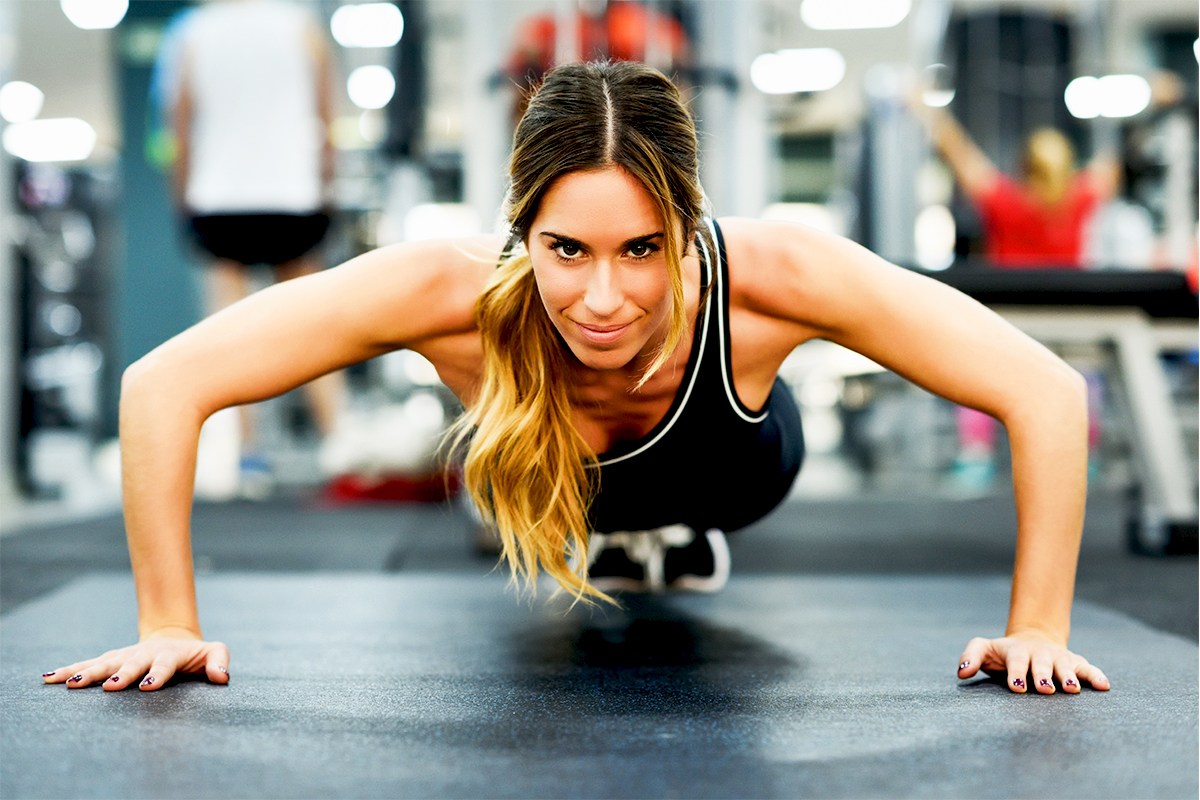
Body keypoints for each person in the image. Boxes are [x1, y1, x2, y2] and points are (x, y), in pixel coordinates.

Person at [42, 61, 1109, 696]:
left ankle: (658, 537)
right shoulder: (442, 289)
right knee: (517, 469)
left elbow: (1045, 392)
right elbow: (160, 385)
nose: (603, 297)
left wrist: (1040, 627)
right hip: (553, 481)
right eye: (567, 251)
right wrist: (169, 621)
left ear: (688, 228)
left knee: (683, 482)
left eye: (642, 249)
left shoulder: (778, 274)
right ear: (523, 232)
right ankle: (610, 536)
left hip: (732, 471)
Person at [167, 0, 344, 482]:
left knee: (229, 331)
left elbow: (179, 121)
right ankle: (338, 444)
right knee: (316, 326)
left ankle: (249, 455)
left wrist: (182, 194)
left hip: (219, 199)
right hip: (292, 194)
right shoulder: (300, 25)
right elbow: (326, 112)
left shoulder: (192, 31)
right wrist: (327, 181)